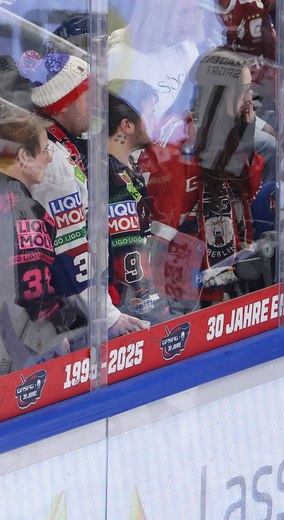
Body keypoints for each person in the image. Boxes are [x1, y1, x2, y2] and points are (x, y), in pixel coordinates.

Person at [25, 52, 149, 339]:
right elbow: (70, 252)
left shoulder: (59, 142)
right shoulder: (53, 162)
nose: (97, 102)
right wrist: (108, 317)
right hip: (67, 314)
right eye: (87, 93)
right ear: (63, 104)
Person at [138, 49, 269, 311]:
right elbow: (156, 235)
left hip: (218, 272)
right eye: (243, 89)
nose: (249, 98)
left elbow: (248, 190)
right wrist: (154, 298)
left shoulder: (228, 128)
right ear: (221, 93)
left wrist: (246, 134)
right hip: (178, 287)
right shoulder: (178, 144)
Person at [0, 110, 66, 374]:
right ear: (24, 156)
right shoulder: (26, 211)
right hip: (15, 353)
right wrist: (54, 336)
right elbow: (33, 293)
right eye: (44, 150)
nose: (49, 158)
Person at [106, 87, 162, 320]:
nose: (155, 122)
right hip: (132, 310)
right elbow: (127, 256)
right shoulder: (113, 176)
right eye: (150, 116)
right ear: (127, 126)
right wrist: (149, 303)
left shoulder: (126, 166)